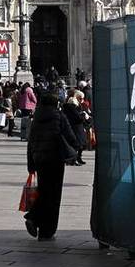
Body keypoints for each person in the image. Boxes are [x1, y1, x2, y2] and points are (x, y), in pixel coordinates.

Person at [24, 92, 79, 241]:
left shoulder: (36, 118)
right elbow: (70, 136)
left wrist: (31, 165)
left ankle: (36, 220)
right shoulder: (59, 116)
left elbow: (31, 143)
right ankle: (45, 230)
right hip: (55, 159)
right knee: (53, 196)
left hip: (39, 160)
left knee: (44, 191)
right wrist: (74, 148)